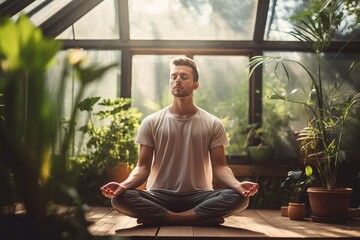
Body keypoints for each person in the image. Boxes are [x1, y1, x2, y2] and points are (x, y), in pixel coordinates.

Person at [100, 57, 259, 226]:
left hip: (199, 196)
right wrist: (122, 186)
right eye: (173, 76)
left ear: (195, 84)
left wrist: (238, 186)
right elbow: (142, 167)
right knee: (119, 198)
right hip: (159, 196)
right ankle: (197, 218)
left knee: (239, 198)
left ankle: (168, 218)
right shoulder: (151, 122)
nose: (177, 80)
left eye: (184, 77)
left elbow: (220, 166)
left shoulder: (213, 123)